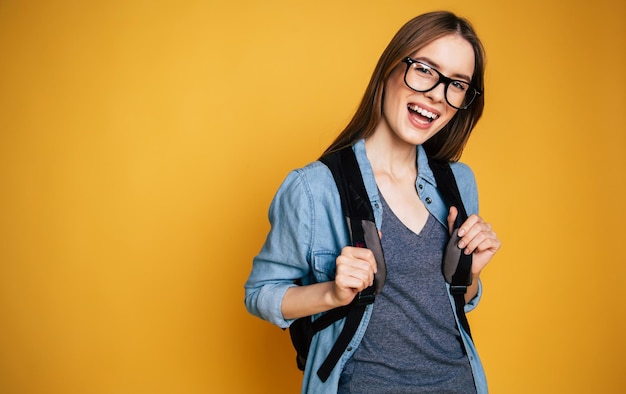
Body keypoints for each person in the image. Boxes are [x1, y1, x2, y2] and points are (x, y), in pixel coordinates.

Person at [244, 10, 501, 394]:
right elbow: (260, 294)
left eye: (457, 84)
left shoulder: (459, 181)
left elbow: (455, 301)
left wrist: (471, 274)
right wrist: (331, 293)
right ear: (389, 68)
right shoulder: (315, 188)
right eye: (426, 70)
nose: (437, 95)